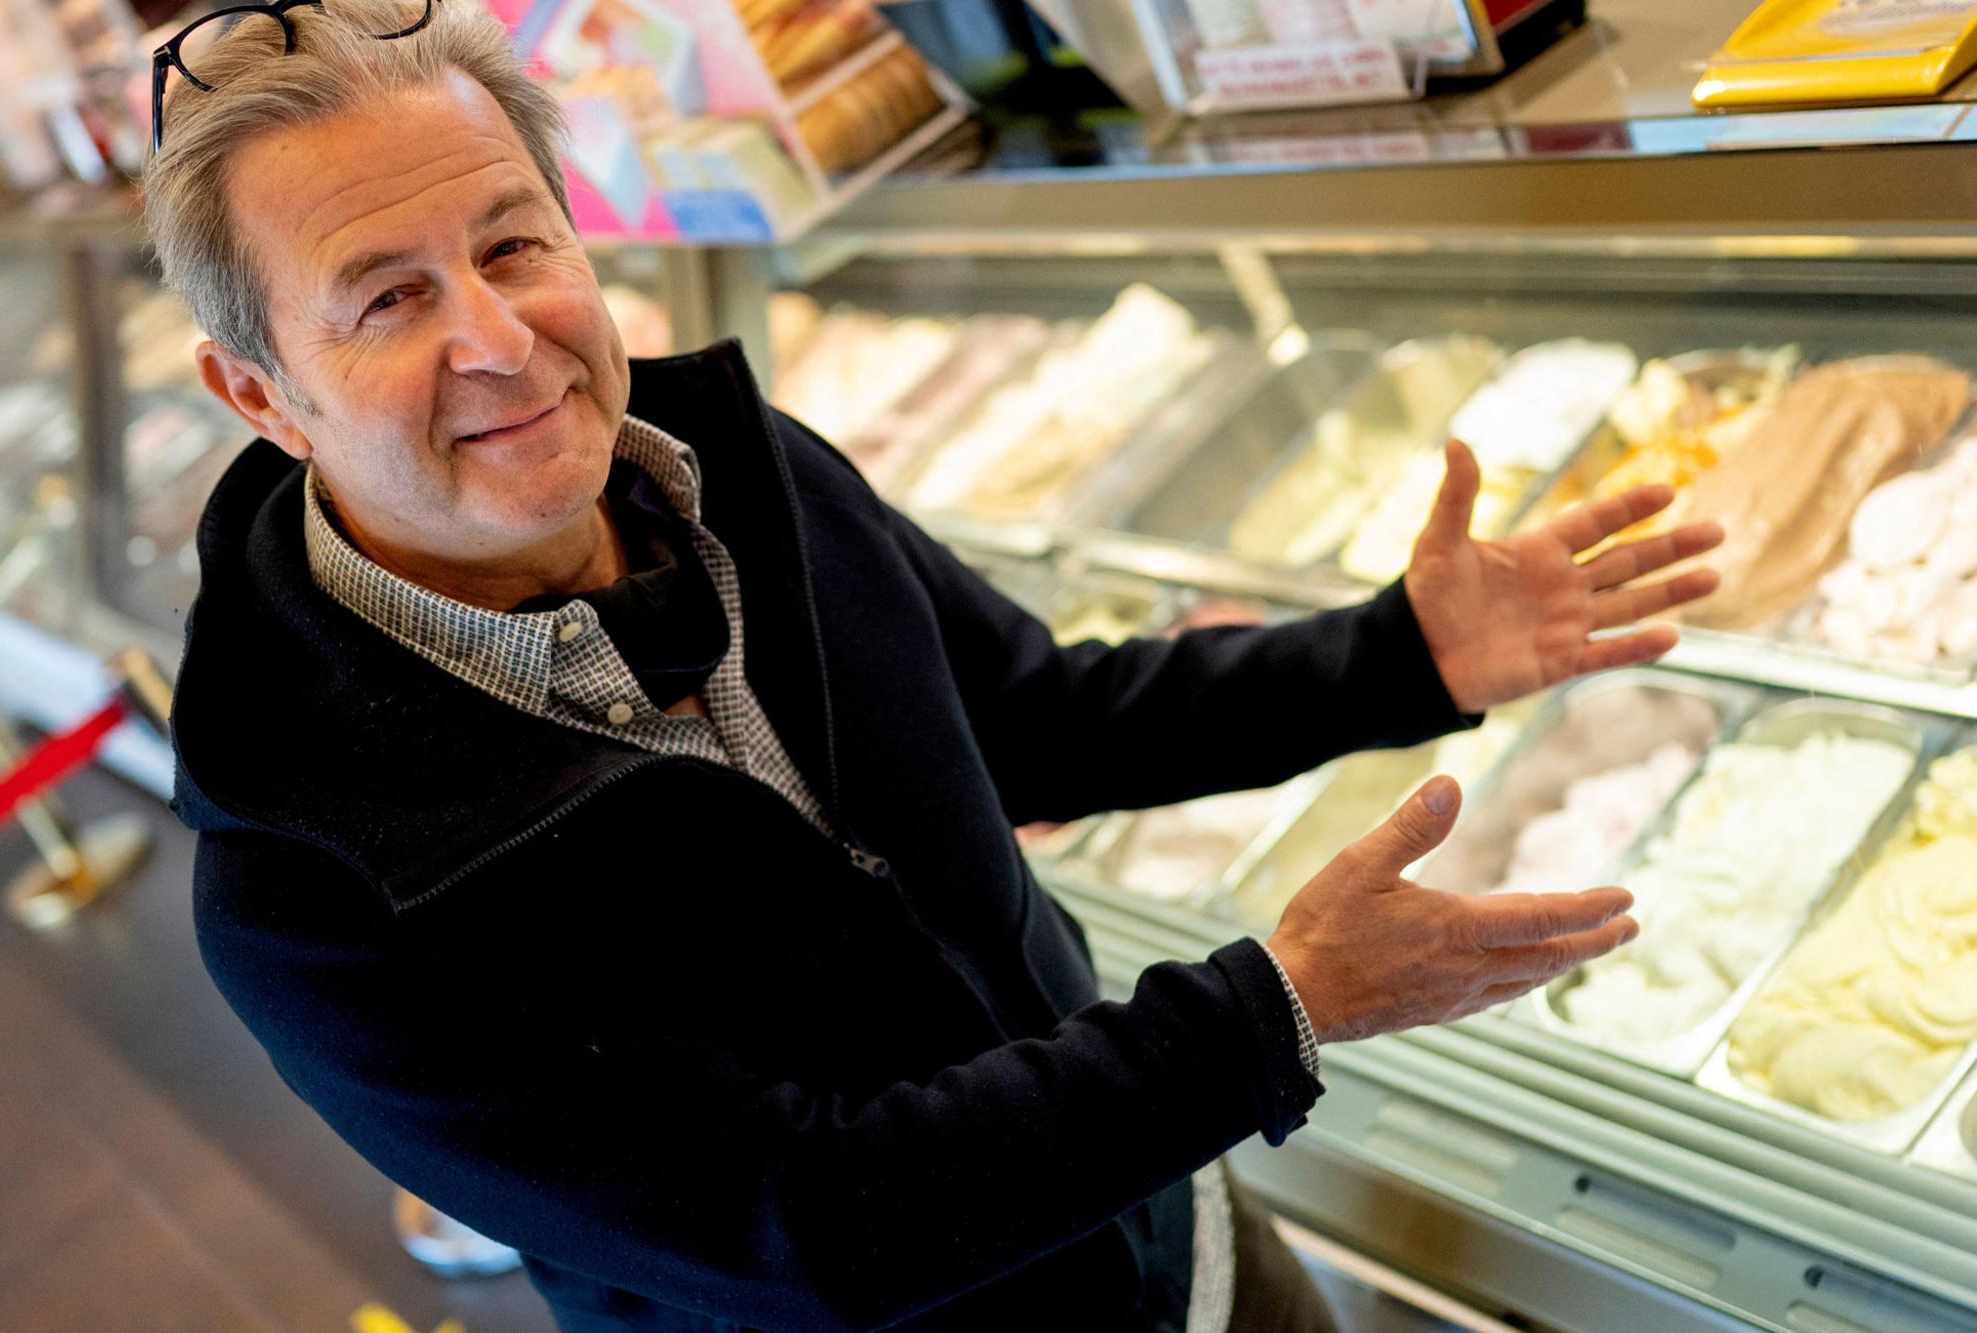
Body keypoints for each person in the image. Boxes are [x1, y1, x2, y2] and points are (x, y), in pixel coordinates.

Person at [147, 2, 1722, 1329]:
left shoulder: (738, 469)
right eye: (389, 299)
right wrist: (1272, 1012)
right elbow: (804, 1225)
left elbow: (1031, 715)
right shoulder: (307, 888)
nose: (498, 337)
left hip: (1183, 1249)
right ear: (261, 392)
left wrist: (1395, 654)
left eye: (513, 242)